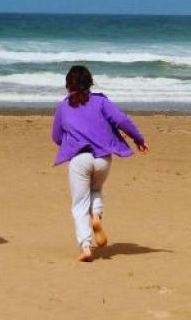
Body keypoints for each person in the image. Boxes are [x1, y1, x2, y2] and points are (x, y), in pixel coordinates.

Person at [52, 65, 148, 262]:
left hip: (79, 159)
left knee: (79, 204)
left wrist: (70, 142)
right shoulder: (101, 101)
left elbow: (56, 136)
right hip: (103, 158)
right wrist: (138, 139)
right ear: (90, 82)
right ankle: (96, 216)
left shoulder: (63, 107)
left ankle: (86, 247)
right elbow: (122, 120)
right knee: (95, 189)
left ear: (68, 85)